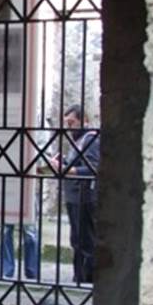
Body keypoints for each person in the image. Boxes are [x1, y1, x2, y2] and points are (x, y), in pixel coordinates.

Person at [50, 105, 100, 283]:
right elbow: (75, 163)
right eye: (66, 123)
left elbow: (93, 168)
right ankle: (79, 276)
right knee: (77, 240)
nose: (68, 127)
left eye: (71, 123)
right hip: (74, 196)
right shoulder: (77, 141)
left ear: (83, 121)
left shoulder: (90, 139)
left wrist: (66, 169)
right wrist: (61, 162)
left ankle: (87, 278)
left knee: (86, 240)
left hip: (85, 197)